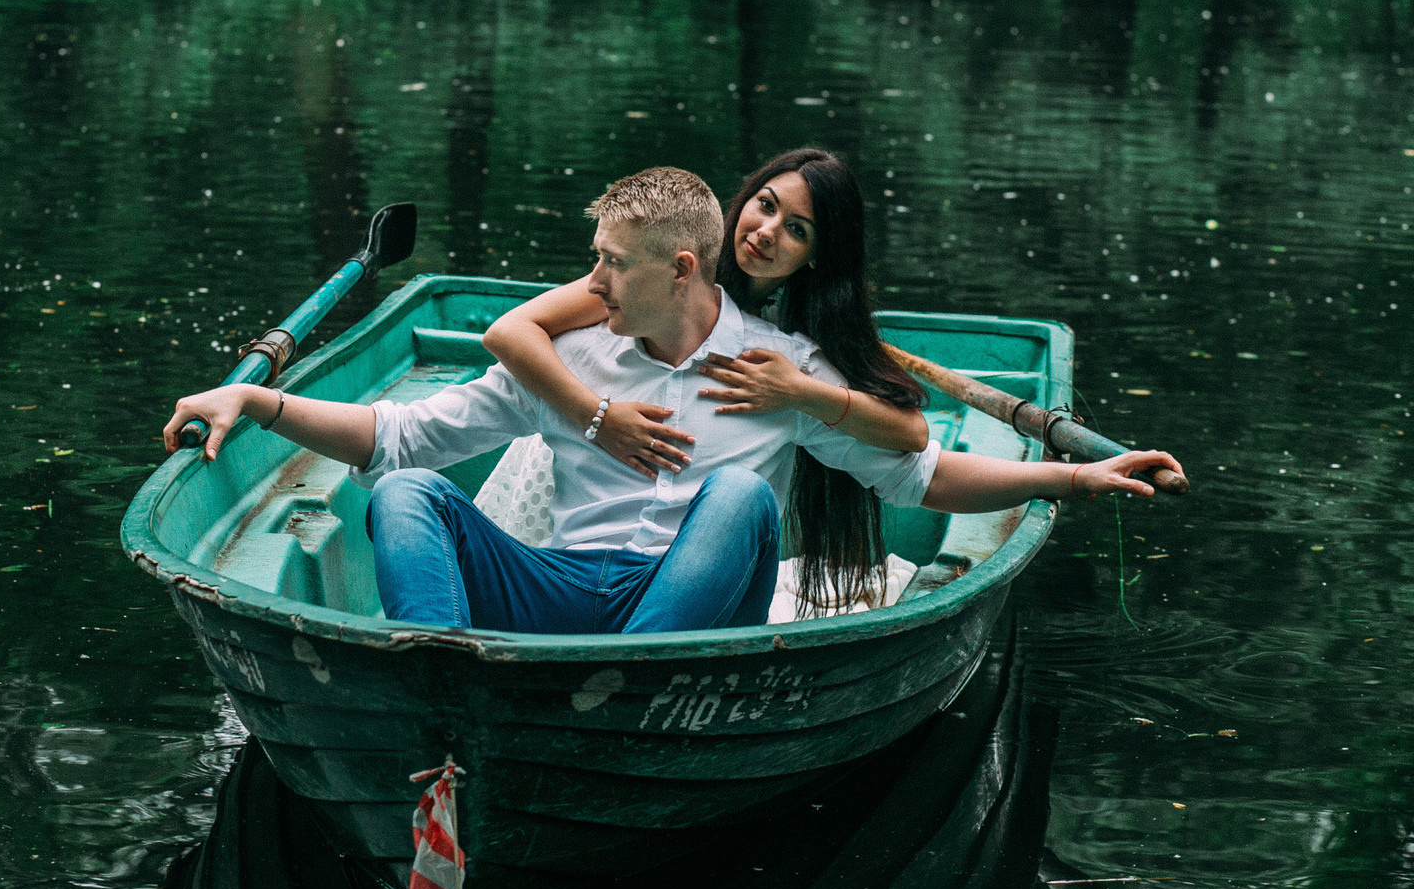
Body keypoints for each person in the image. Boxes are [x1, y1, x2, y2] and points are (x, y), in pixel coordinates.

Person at [162, 167, 1178, 636]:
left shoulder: (779, 369)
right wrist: (257, 401)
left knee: (738, 500)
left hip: (687, 624)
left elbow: (925, 468)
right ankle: (440, 693)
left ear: (675, 268)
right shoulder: (578, 351)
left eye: (608, 266)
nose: (590, 284)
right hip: (565, 587)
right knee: (407, 493)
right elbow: (397, 431)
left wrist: (1078, 472)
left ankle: (623, 692)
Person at [480, 147, 927, 613]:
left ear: (818, 256)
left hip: (705, 524)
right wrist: (598, 416)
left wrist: (798, 391)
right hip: (589, 441)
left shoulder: (800, 339)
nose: (767, 233)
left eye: (797, 230)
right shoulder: (667, 281)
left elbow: (912, 434)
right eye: (766, 205)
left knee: (739, 493)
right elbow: (509, 330)